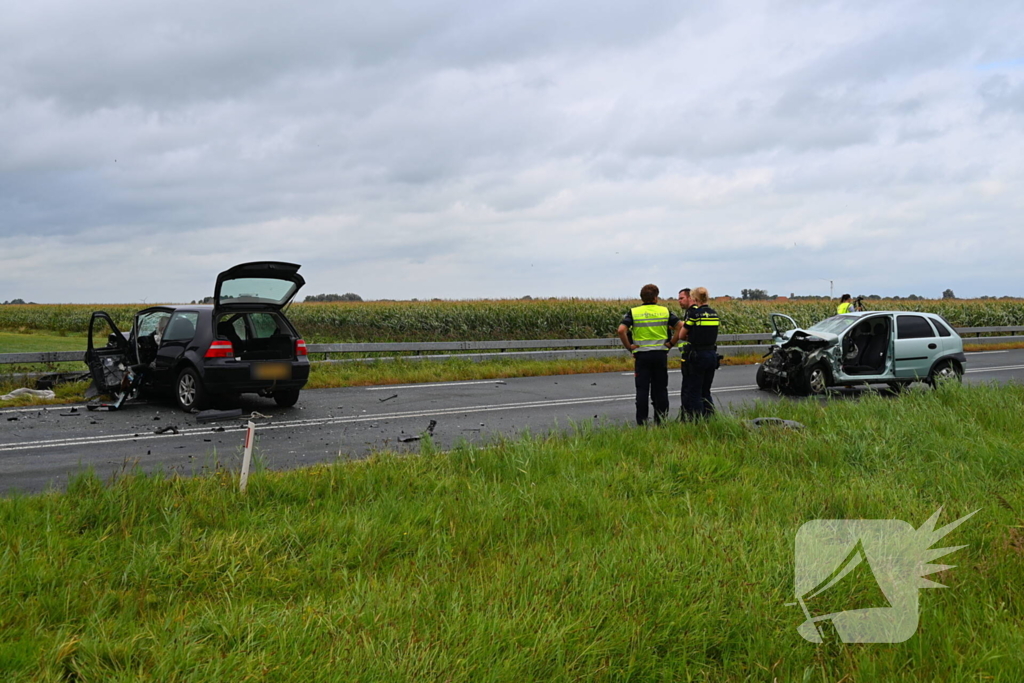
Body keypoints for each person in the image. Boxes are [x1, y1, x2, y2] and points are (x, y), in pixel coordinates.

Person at [617, 284, 682, 425]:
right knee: (660, 389)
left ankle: (642, 422)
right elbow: (680, 326)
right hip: (660, 355)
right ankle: (661, 421)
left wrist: (629, 347)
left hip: (642, 356)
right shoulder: (664, 311)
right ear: (656, 297)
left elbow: (621, 330)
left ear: (642, 297)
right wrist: (671, 343)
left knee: (642, 390)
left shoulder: (634, 312)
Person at [678, 287, 720, 419]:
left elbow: (681, 334)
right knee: (706, 391)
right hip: (712, 354)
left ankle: (698, 421)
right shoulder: (714, 314)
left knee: (695, 391)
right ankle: (710, 417)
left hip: (697, 355)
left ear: (695, 299)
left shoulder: (694, 315)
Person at [677, 288, 698, 418]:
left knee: (689, 389)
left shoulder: (693, 313)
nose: (679, 301)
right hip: (689, 354)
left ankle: (689, 416)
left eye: (681, 298)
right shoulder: (690, 312)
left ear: (690, 298)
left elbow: (687, 334)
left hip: (692, 356)